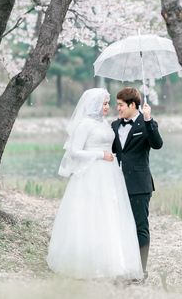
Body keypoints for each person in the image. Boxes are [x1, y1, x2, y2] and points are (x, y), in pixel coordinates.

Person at [47, 88, 143, 280]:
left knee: (110, 213)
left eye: (108, 103)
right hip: (91, 173)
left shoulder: (105, 123)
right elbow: (75, 151)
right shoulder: (84, 125)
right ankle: (89, 262)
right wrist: (100, 155)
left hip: (109, 174)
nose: (108, 107)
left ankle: (115, 261)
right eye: (105, 103)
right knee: (91, 214)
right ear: (93, 104)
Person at [112, 87, 163, 281]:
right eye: (117, 105)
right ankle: (125, 266)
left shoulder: (146, 123)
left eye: (121, 105)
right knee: (121, 226)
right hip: (118, 184)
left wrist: (149, 119)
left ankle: (141, 271)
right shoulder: (115, 126)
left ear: (133, 105)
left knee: (140, 227)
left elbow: (157, 144)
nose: (118, 108)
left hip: (139, 185)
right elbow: (113, 151)